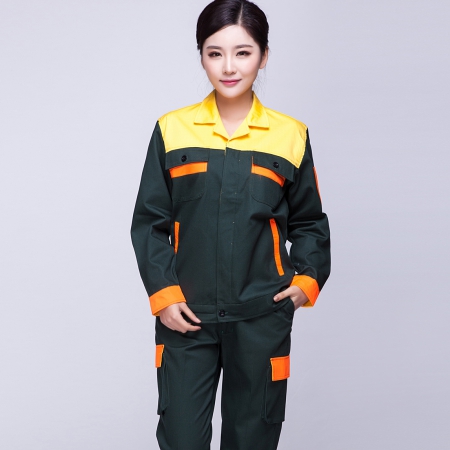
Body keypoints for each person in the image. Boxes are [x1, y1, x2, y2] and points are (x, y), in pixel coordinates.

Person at [131, 0, 331, 448]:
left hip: (261, 317)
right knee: (181, 438)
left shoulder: (291, 135)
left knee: (252, 439)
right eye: (214, 52)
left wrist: (306, 282)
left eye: (243, 52)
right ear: (201, 55)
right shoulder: (172, 129)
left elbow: (310, 223)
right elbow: (149, 222)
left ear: (263, 55)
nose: (228, 66)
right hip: (186, 316)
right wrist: (164, 297)